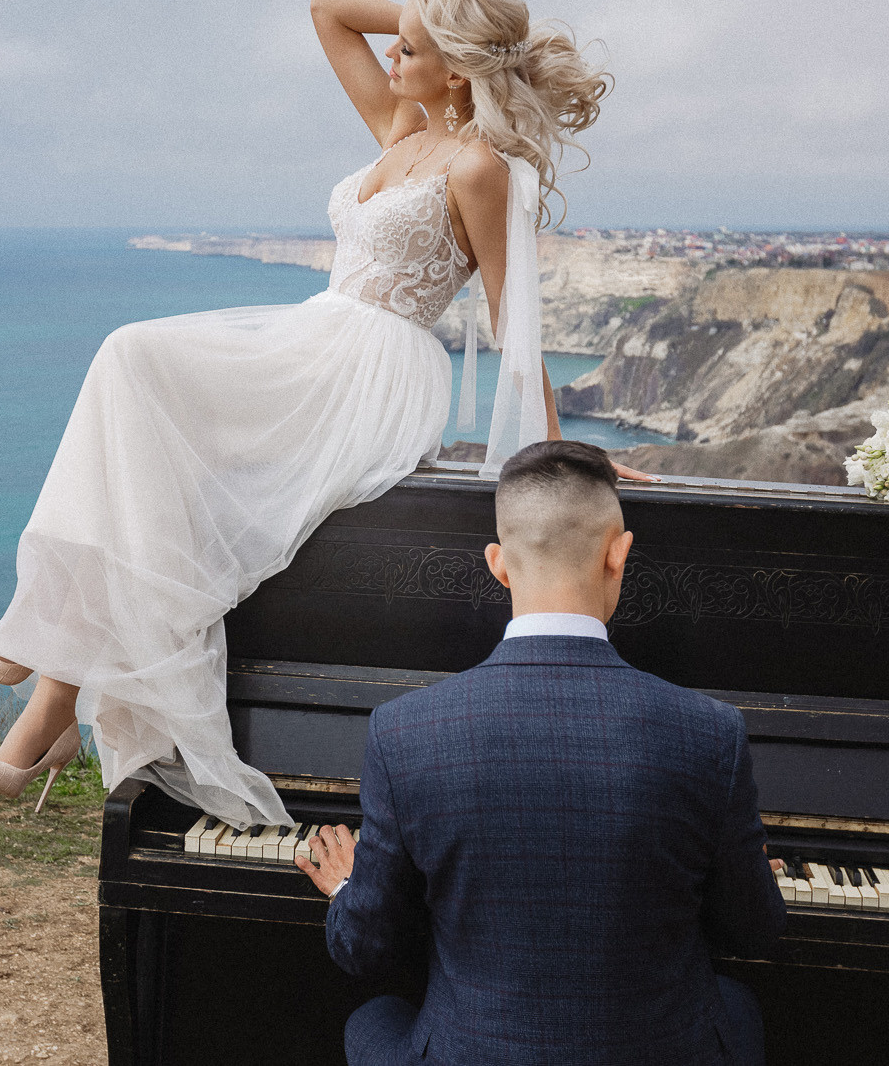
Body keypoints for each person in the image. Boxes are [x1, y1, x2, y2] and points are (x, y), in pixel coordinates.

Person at [0, 0, 656, 827]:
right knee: (140, 431)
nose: (393, 50)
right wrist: (436, 22)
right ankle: (47, 707)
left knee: (132, 360)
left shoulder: (477, 168)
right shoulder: (402, 123)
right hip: (311, 339)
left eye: (414, 45)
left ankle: (40, 680)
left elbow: (515, 325)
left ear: (458, 69)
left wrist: (568, 458)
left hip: (370, 373)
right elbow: (325, 5)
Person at [299, 441, 786, 1065]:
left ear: (499, 565)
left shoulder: (405, 731)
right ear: (619, 553)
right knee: (737, 1006)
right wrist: (738, 883)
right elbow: (755, 931)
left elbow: (363, 949)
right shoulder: (709, 731)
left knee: (374, 1018)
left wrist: (347, 887)